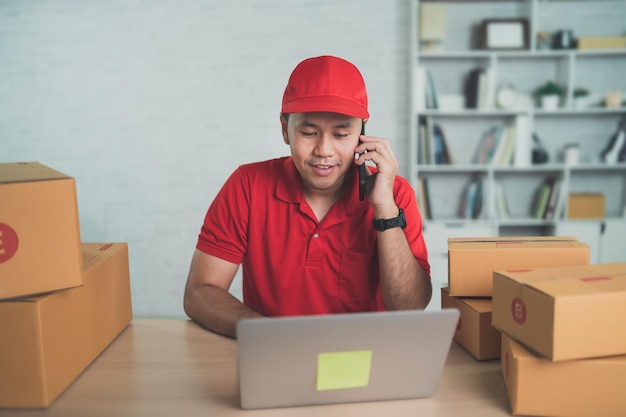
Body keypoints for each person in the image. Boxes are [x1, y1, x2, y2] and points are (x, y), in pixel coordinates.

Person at [183, 55, 431, 338]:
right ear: (284, 128)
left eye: (341, 134)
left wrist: (385, 210)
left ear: (362, 133)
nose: (324, 150)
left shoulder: (395, 193)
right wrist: (268, 333)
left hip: (367, 359)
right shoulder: (247, 186)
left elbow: (409, 310)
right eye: (309, 132)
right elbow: (200, 292)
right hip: (273, 353)